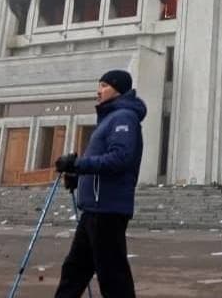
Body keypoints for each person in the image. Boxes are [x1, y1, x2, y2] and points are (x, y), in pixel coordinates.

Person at [52, 69, 147, 298]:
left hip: (108, 209)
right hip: (94, 209)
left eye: (104, 85)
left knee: (113, 277)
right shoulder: (110, 118)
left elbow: (120, 158)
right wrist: (77, 177)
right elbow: (102, 162)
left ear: (119, 89)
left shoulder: (124, 117)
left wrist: (78, 165)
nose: (98, 91)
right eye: (99, 85)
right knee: (74, 270)